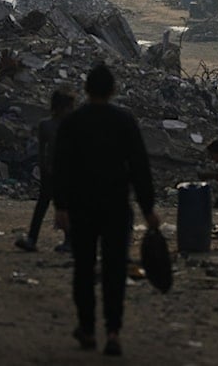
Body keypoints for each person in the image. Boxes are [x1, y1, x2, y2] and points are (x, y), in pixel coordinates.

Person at [54, 63, 160, 357]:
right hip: (116, 206)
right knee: (114, 270)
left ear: (86, 90)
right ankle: (113, 331)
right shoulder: (124, 121)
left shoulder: (72, 122)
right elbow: (139, 167)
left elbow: (60, 167)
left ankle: (87, 329)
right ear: (113, 90)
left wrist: (60, 206)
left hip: (81, 207)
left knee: (84, 268)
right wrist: (148, 207)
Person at [15, 89, 75, 253]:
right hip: (50, 172)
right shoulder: (46, 125)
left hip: (67, 172)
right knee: (42, 205)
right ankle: (32, 239)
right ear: (57, 107)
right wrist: (43, 170)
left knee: (63, 207)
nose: (69, 111)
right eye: (66, 108)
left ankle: (69, 240)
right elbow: (42, 151)